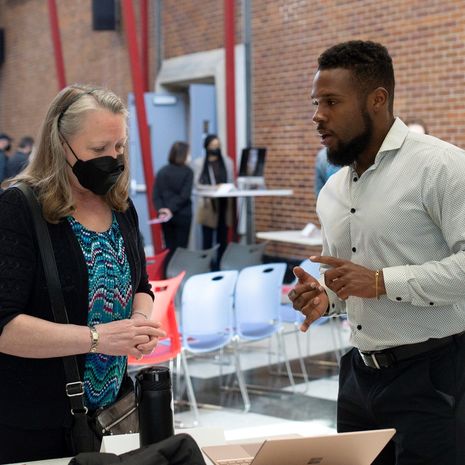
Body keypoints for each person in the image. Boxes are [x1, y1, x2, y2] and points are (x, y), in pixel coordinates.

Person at [289, 40, 465, 464]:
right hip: (357, 375)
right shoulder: (333, 190)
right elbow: (346, 278)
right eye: (316, 102)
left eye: (331, 101)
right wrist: (325, 298)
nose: (318, 115)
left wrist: (383, 282)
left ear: (377, 100)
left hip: (436, 375)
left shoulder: (442, 167)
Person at [0, 84, 165, 463]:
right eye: (97, 150)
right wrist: (97, 338)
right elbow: (4, 325)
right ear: (61, 145)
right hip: (34, 424)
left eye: (119, 147)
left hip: (114, 415)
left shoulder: (120, 206)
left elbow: (142, 286)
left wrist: (137, 325)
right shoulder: (20, 208)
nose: (112, 158)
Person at [192, 134, 234, 267]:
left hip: (224, 204)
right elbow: (197, 185)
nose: (215, 148)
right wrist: (215, 188)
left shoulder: (227, 162)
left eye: (218, 146)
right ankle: (207, 266)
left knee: (223, 238)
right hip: (208, 204)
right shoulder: (199, 163)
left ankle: (221, 265)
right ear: (206, 147)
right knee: (207, 239)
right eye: (212, 146)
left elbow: (231, 181)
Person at [152, 141, 194, 265]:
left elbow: (155, 195)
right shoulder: (188, 172)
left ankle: (167, 276)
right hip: (183, 215)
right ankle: (179, 278)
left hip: (165, 217)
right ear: (183, 155)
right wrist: (171, 209)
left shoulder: (162, 171)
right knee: (181, 250)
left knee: (169, 248)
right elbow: (184, 195)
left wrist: (162, 209)